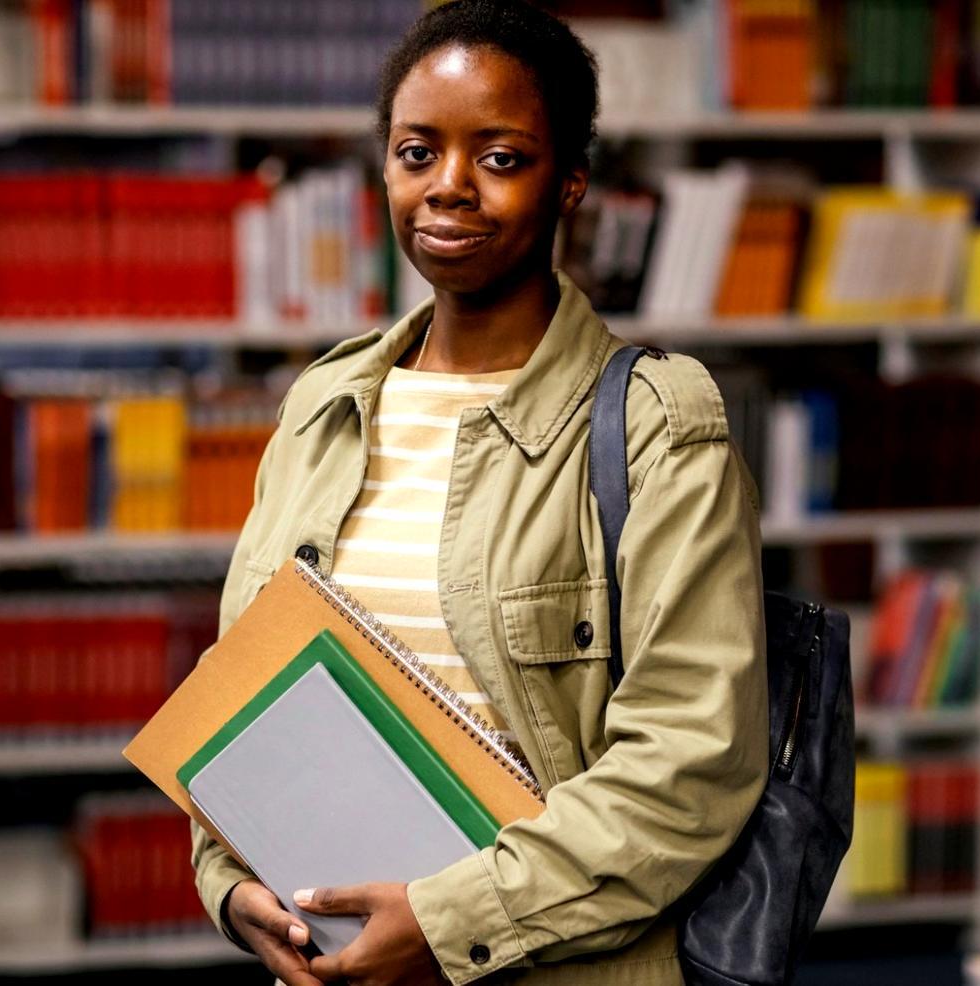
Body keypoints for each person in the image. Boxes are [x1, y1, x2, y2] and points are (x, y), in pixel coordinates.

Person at [191, 2, 769, 983]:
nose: (446, 187)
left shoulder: (656, 425)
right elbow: (248, 699)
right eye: (416, 152)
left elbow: (688, 768)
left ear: (570, 181)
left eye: (498, 158)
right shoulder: (321, 405)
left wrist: (439, 917)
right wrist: (229, 882)